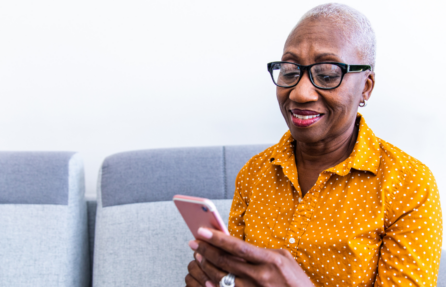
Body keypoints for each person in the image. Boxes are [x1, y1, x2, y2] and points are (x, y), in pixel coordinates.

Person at [185, 3, 442, 287]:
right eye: (289, 71)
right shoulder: (254, 173)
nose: (300, 92)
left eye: (328, 75)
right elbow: (237, 277)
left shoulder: (408, 184)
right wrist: (219, 280)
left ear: (366, 87)